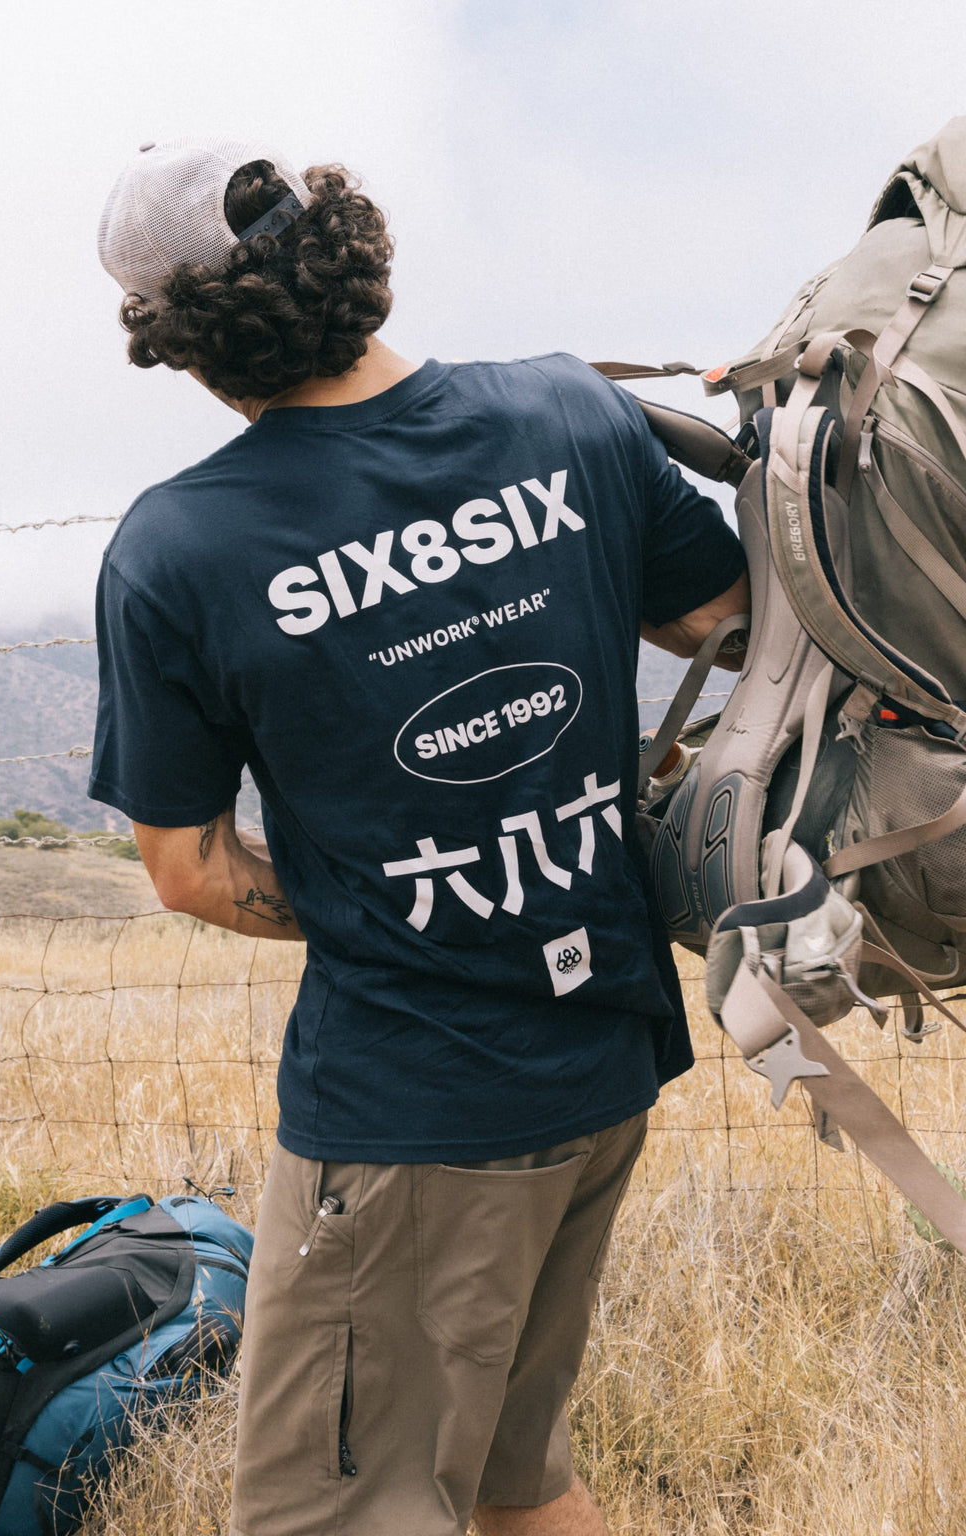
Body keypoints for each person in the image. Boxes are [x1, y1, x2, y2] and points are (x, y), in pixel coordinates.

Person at [90, 136, 749, 1536]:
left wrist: (389, 911)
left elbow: (190, 870)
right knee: (518, 1484)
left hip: (410, 1117)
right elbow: (725, 621)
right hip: (609, 1062)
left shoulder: (181, 548)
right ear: (352, 247)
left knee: (336, 1515)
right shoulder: (570, 414)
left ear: (179, 342)